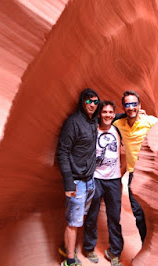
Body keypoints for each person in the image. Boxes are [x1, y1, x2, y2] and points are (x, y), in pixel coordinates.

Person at [113, 90, 158, 243]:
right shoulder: (119, 123)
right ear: (123, 107)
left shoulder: (149, 121)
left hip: (151, 174)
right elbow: (105, 118)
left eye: (134, 104)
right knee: (138, 214)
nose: (131, 108)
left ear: (139, 105)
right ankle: (146, 246)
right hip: (133, 175)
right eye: (127, 105)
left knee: (156, 214)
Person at [57, 88, 100, 266]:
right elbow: (62, 152)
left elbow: (110, 116)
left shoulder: (92, 122)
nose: (92, 105)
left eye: (95, 102)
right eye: (89, 101)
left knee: (78, 218)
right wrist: (69, 183)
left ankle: (66, 247)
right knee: (74, 222)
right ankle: (69, 260)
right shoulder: (73, 122)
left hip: (89, 181)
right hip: (76, 182)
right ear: (83, 102)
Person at [83, 101, 124, 266]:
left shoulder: (117, 129)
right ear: (99, 114)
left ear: (114, 114)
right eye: (104, 112)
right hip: (96, 179)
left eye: (110, 112)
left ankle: (115, 252)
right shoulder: (93, 130)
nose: (107, 115)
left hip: (114, 180)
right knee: (92, 215)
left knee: (114, 217)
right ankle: (89, 247)